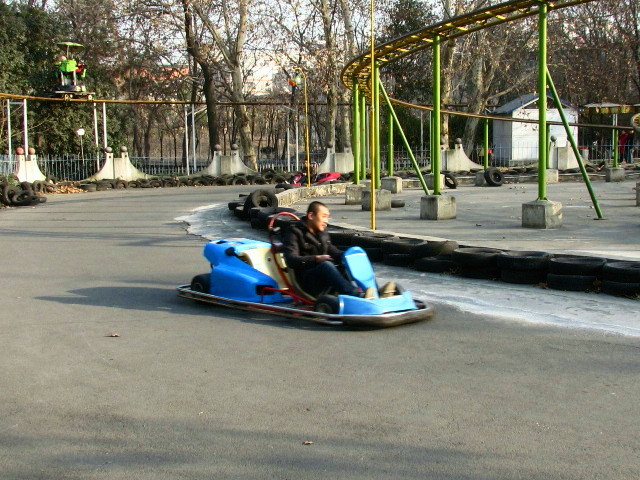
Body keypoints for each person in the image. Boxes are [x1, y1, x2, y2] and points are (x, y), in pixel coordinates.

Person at [282, 201, 368, 298]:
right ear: (311, 216)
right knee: (326, 265)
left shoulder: (322, 234)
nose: (326, 221)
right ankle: (357, 295)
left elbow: (333, 252)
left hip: (324, 280)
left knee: (346, 261)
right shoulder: (294, 232)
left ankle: (370, 291)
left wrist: (348, 256)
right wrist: (316, 259)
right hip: (307, 282)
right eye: (323, 216)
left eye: (327, 217)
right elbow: (291, 260)